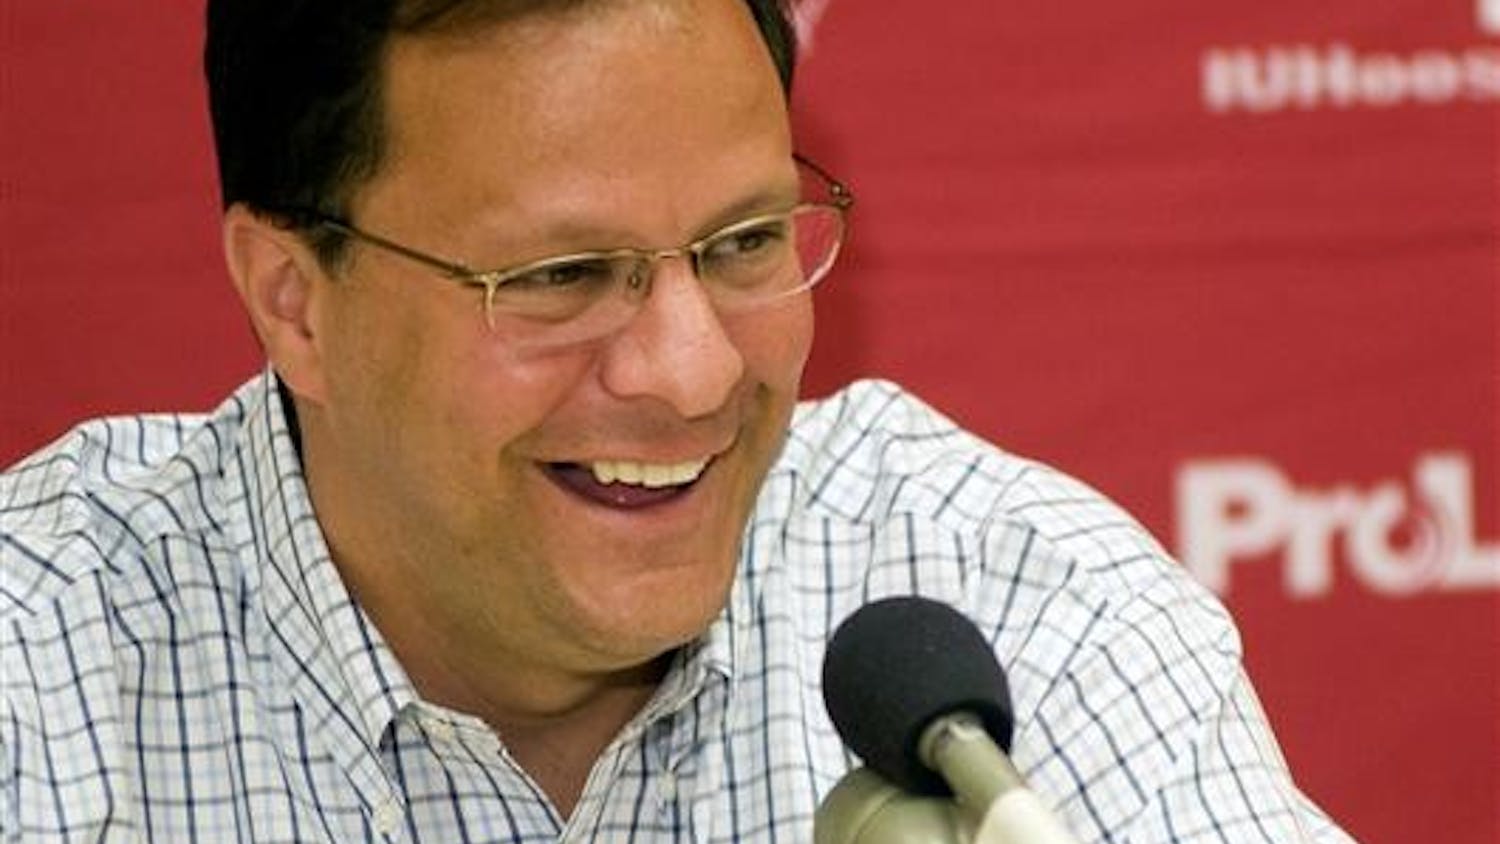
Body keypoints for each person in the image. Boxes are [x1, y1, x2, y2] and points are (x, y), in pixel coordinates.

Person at [0, 1, 1355, 841]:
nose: (694, 375)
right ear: (294, 302)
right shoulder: (38, 671)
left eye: (745, 242)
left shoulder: (1020, 614)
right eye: (561, 276)